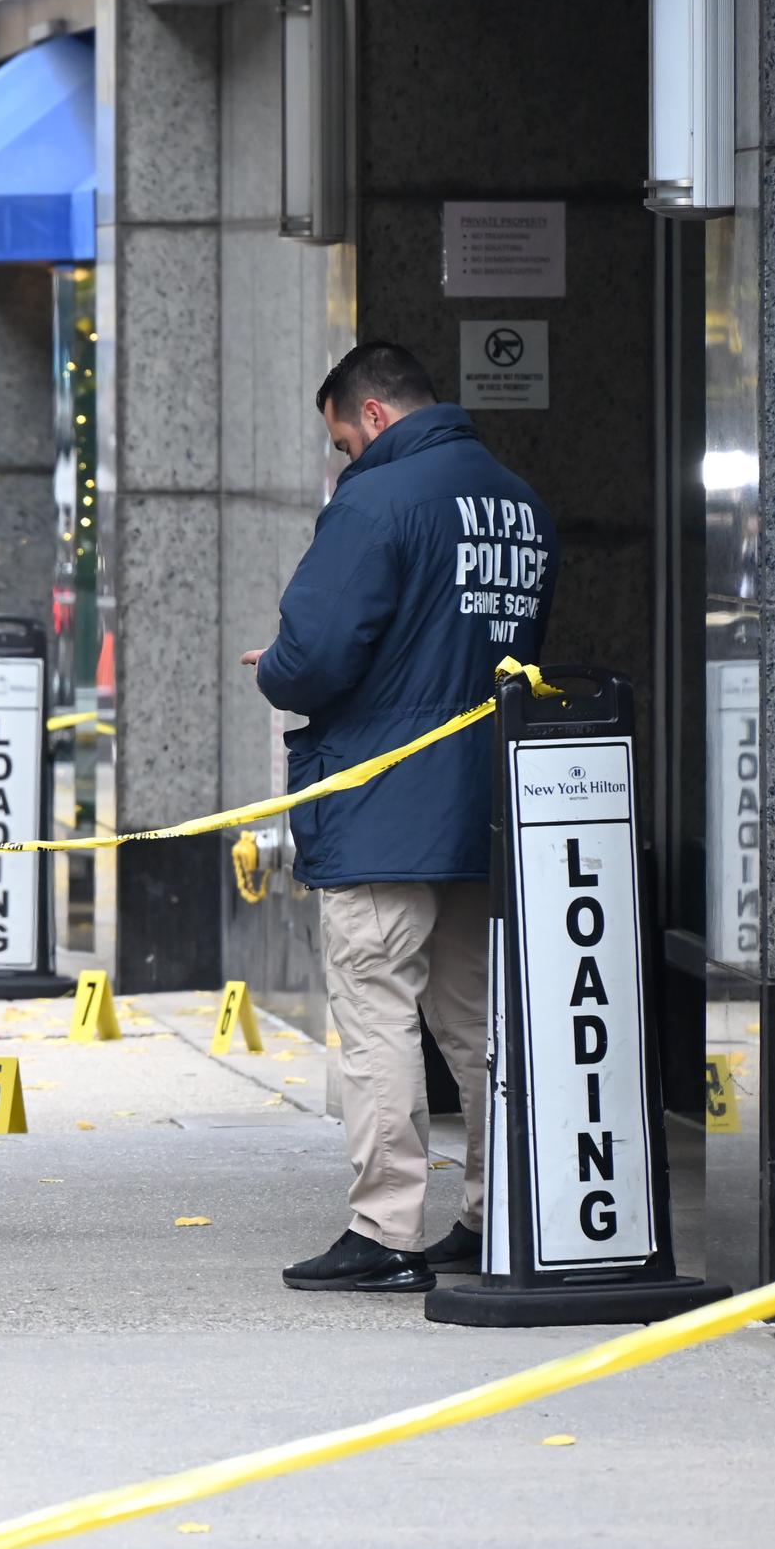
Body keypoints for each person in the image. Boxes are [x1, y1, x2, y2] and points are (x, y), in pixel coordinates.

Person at [243, 340, 558, 1294]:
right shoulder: (518, 503)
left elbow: (315, 655)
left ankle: (384, 1229)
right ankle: (499, 1210)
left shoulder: (377, 500)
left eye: (343, 440)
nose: (343, 459)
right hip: (487, 799)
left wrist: (272, 665)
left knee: (376, 1013)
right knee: (476, 1020)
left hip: (385, 800)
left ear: (373, 416)